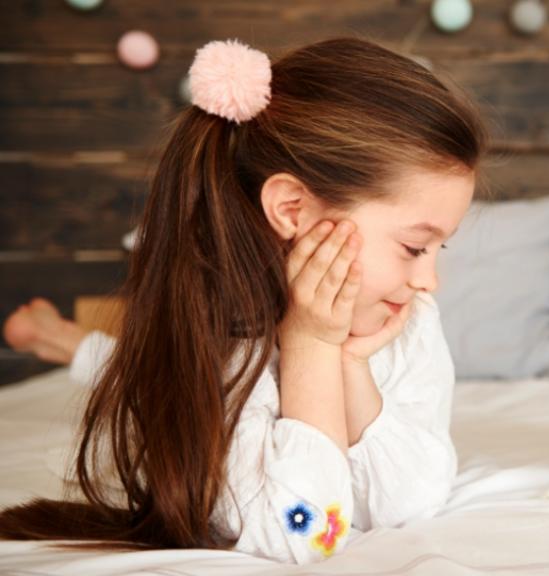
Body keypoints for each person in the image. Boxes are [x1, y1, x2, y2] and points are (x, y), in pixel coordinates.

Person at [0, 36, 487, 564]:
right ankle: (69, 342)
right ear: (293, 209)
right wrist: (311, 347)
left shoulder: (408, 320)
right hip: (181, 361)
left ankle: (66, 340)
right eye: (414, 247)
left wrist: (350, 367)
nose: (429, 281)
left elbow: (415, 502)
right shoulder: (222, 339)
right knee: (133, 373)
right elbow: (304, 534)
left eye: (439, 247)